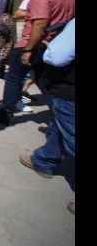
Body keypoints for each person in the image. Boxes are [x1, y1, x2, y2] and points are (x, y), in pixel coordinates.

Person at [0, 0, 75, 126]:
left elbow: (39, 24)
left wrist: (28, 49)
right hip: (56, 45)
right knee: (46, 82)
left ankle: (6, 112)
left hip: (33, 44)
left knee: (14, 79)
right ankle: (58, 114)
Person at [18, 18, 75, 215]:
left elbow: (58, 56)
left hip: (69, 87)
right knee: (58, 123)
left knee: (71, 134)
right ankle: (45, 159)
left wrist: (48, 48)